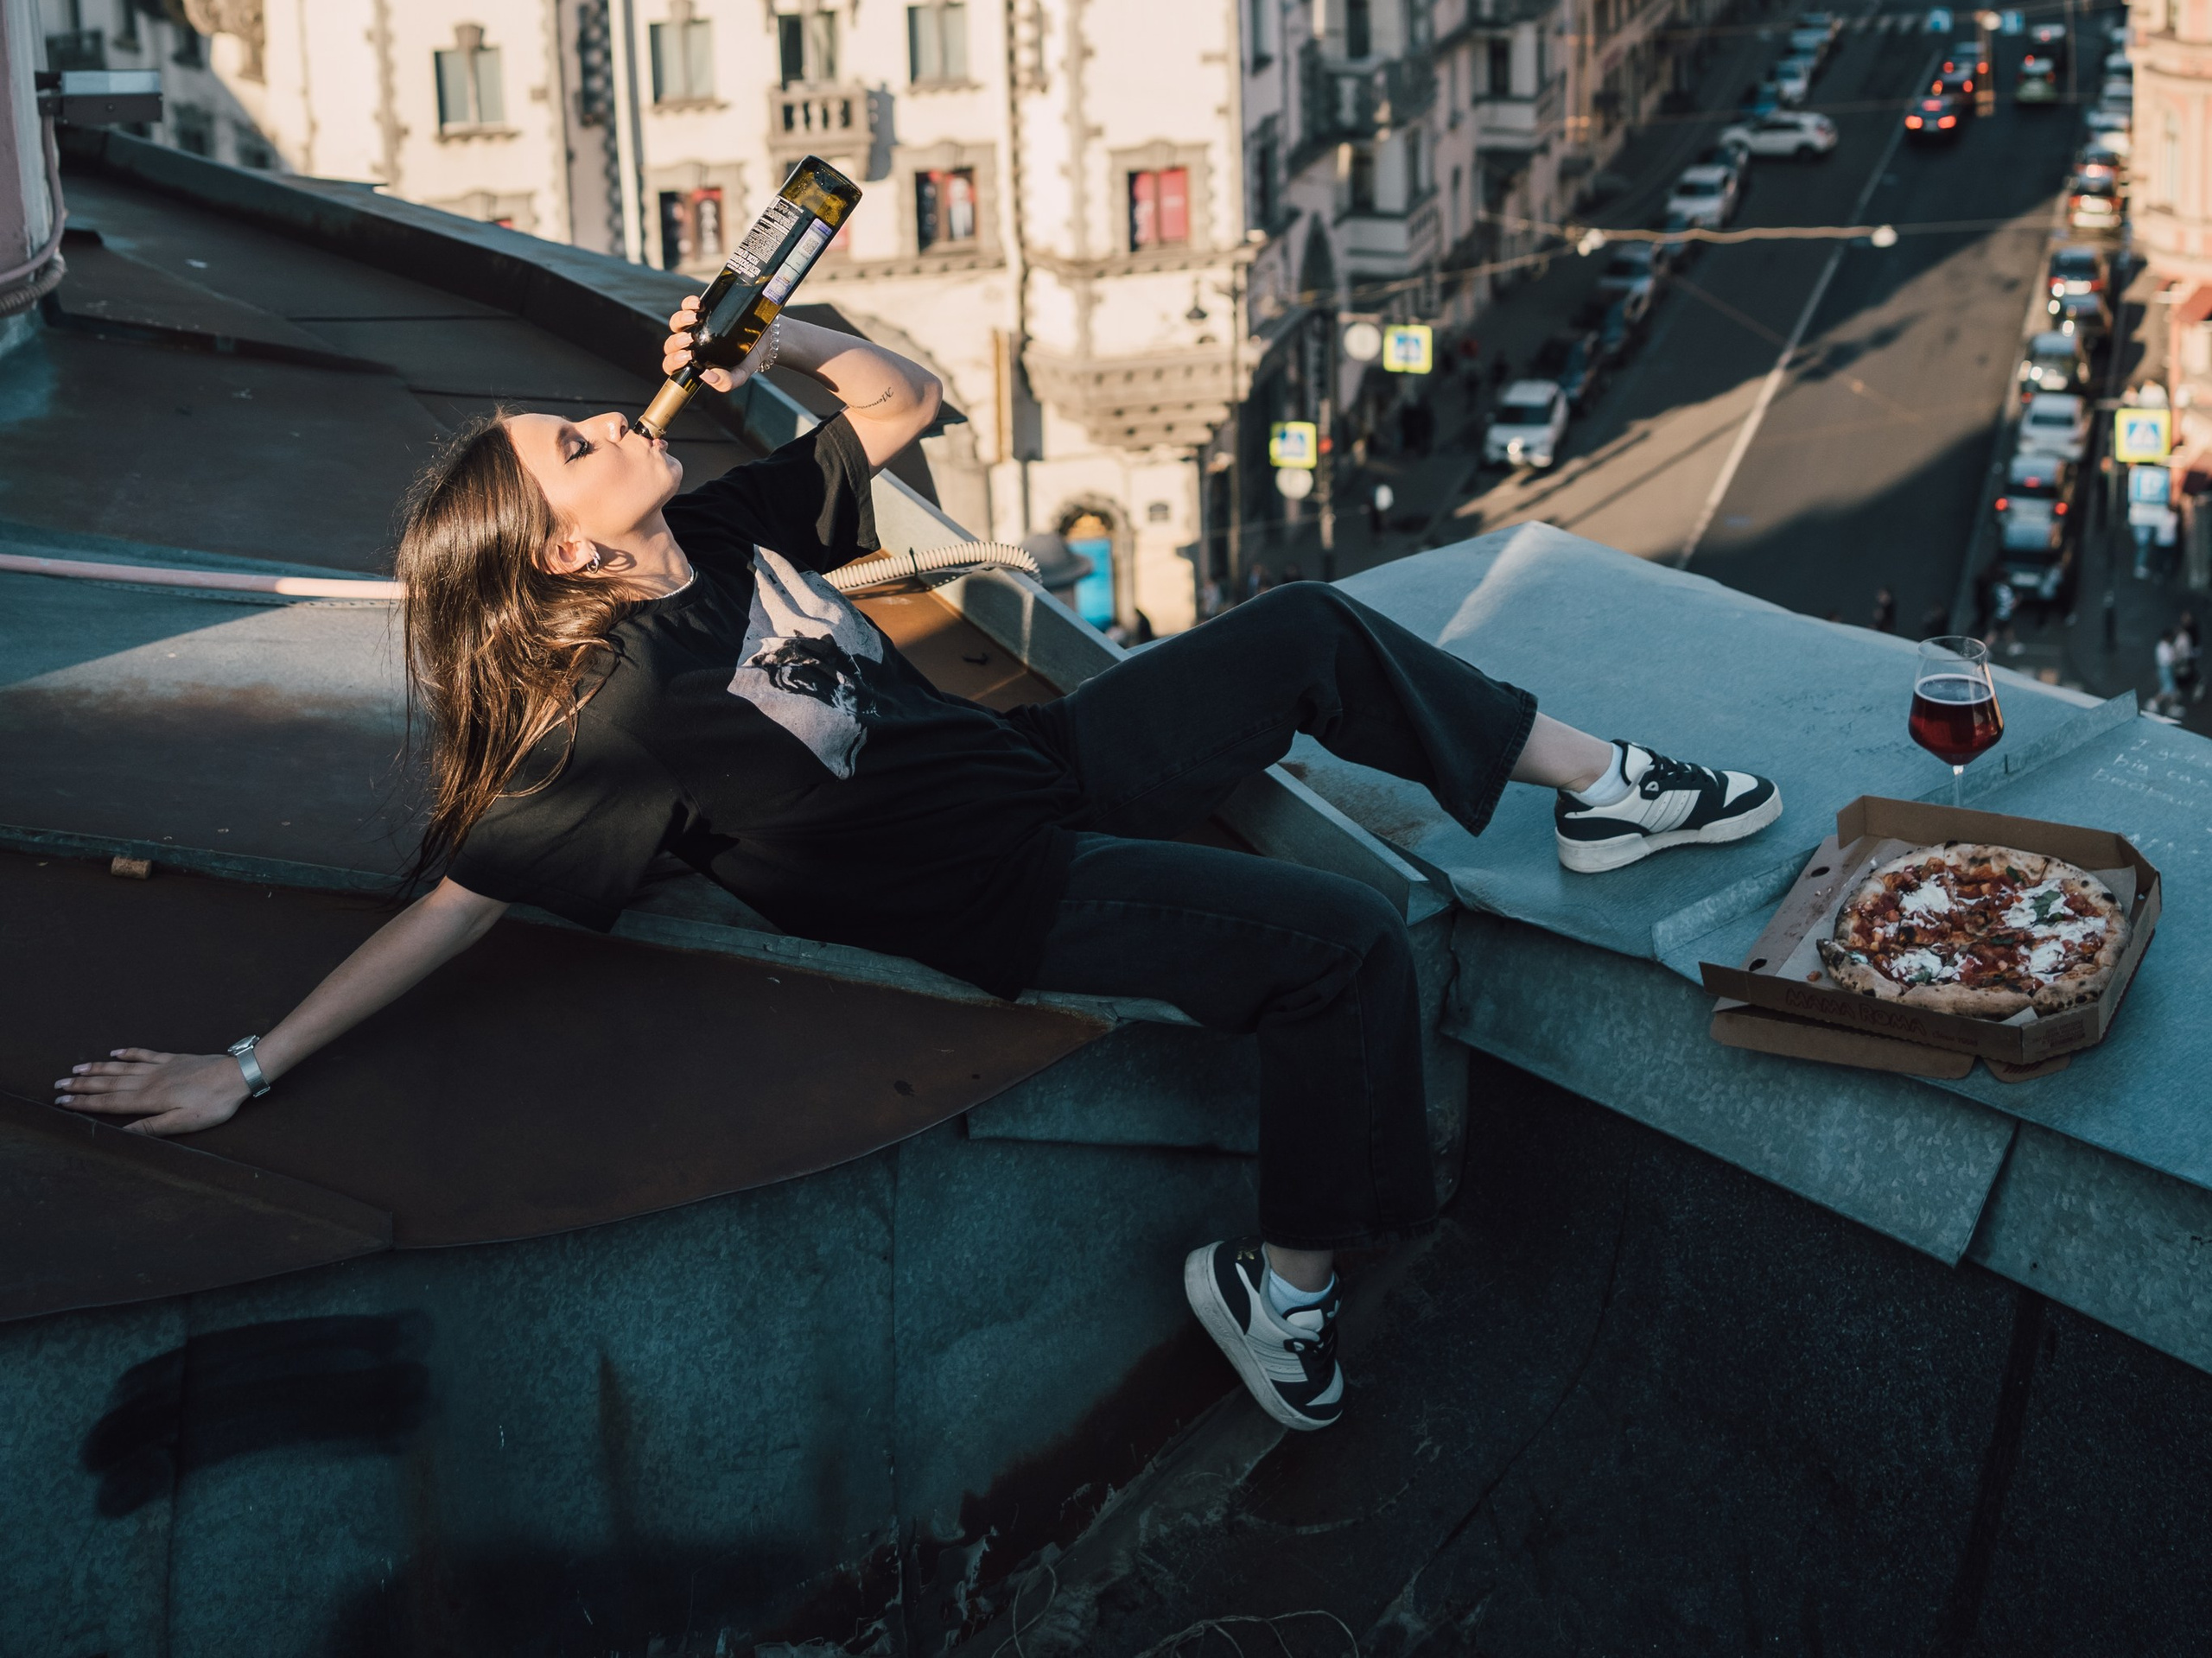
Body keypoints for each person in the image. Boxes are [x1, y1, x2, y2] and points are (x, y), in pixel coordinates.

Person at [55, 302, 1783, 1441]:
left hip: (1028, 765)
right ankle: (1287, 1293)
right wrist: (252, 1065)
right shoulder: (616, 708)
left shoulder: (719, 531)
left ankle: (1601, 788)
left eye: (581, 417)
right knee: (1336, 946)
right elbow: (464, 896)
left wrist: (780, 331)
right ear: (566, 554)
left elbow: (906, 402)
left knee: (1308, 631)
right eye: (571, 448)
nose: (601, 420)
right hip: (1001, 898)